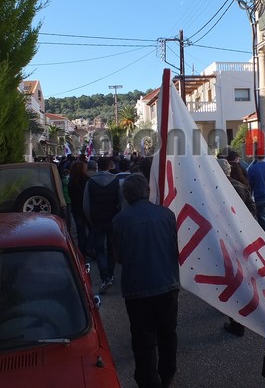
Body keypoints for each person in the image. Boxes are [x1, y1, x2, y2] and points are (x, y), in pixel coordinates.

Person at [112, 173, 180, 388]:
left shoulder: (120, 220)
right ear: (147, 192)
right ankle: (167, 374)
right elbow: (175, 247)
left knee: (143, 339)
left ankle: (148, 380)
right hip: (167, 284)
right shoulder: (167, 214)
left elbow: (118, 257)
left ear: (126, 195)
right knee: (167, 332)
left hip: (137, 288)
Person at [217, 158, 255, 337]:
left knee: (228, 276)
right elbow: (252, 210)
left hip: (223, 240)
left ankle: (236, 321)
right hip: (241, 238)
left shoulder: (213, 189)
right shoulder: (241, 187)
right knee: (241, 274)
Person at [83, 156, 122, 294]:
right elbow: (120, 201)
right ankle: (110, 275)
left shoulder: (90, 182)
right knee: (111, 249)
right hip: (112, 219)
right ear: (109, 166)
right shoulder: (116, 181)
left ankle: (105, 277)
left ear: (98, 167)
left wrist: (91, 220)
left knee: (100, 250)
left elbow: (86, 205)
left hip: (97, 220)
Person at [247, 153, 265, 239]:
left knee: (263, 221)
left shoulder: (252, 169)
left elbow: (251, 184)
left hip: (260, 197)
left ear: (256, 156)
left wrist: (250, 195)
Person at [68, 160, 91, 257]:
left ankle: (82, 252)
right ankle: (89, 247)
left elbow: (70, 194)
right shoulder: (87, 180)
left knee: (80, 231)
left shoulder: (71, 181)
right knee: (91, 228)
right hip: (86, 207)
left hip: (76, 208)